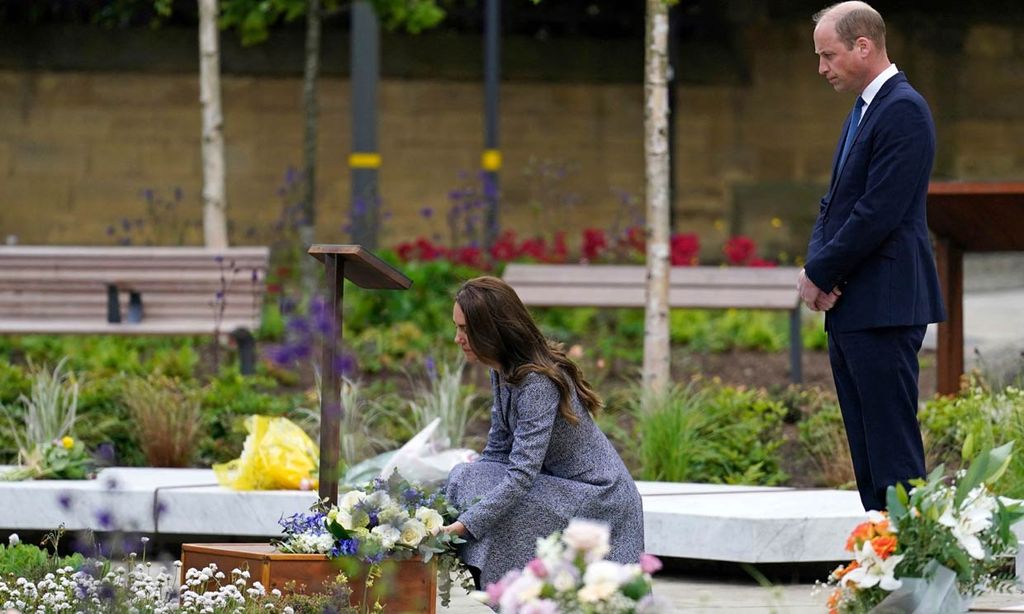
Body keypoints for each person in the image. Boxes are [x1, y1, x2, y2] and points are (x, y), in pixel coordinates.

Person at [799, 2, 946, 511]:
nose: (822, 67)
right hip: (854, 306)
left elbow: (878, 212)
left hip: (885, 305)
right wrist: (817, 268)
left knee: (892, 451)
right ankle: (880, 563)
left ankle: (913, 569)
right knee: (867, 451)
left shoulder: (902, 109)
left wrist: (822, 270)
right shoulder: (864, 110)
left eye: (828, 55)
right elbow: (835, 201)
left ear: (864, 46)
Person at [441, 276, 644, 588]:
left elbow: (521, 475)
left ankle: (517, 593)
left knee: (480, 491)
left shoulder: (536, 383)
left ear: (492, 330)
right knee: (465, 477)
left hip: (596, 496)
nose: (458, 338)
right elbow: (496, 451)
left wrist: (465, 525)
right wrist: (443, 507)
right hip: (558, 486)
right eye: (458, 328)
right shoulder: (503, 370)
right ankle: (515, 594)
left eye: (466, 329)